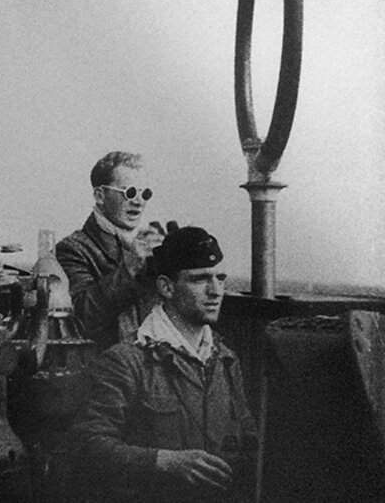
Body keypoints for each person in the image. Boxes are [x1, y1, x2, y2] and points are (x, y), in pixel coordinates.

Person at [71, 226, 257, 502]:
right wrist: (162, 461)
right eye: (199, 279)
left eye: (220, 278)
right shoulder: (127, 361)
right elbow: (86, 447)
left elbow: (249, 439)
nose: (215, 291)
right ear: (166, 287)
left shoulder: (225, 360)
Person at [56, 151, 165, 350]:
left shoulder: (151, 245)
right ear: (100, 195)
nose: (138, 201)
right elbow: (82, 316)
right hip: (109, 365)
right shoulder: (73, 249)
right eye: (129, 192)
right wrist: (130, 269)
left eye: (145, 193)